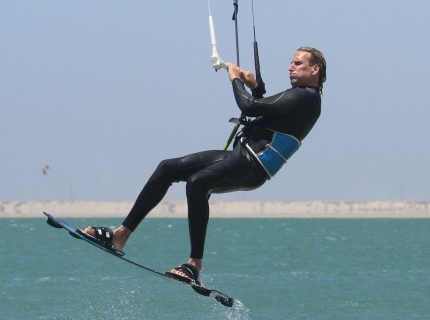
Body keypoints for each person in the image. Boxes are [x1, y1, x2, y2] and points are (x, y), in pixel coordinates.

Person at [83, 47, 326, 285]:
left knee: (198, 183)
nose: (290, 67)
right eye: (291, 63)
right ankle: (120, 236)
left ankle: (194, 265)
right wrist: (255, 86)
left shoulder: (306, 97)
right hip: (241, 158)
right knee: (167, 168)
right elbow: (265, 111)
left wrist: (235, 80)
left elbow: (249, 107)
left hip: (254, 165)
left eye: (297, 63)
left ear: (314, 69)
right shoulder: (299, 97)